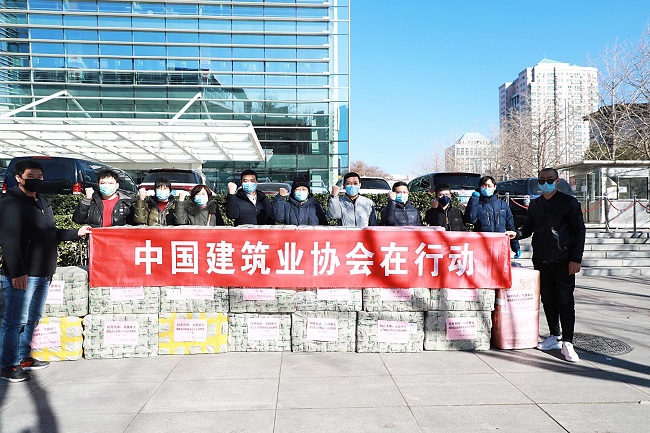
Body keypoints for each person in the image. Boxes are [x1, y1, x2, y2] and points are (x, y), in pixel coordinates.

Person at [0, 159, 91, 382]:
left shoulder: (42, 202)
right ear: (19, 178)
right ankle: (7, 364)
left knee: (33, 318)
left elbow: (50, 233)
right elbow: (9, 241)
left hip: (43, 272)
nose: (36, 180)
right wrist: (17, 272)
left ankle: (23, 357)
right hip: (23, 274)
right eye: (30, 177)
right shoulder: (10, 203)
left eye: (39, 177)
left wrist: (76, 232)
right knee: (15, 320)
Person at [511, 168, 586, 363]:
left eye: (550, 180)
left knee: (565, 301)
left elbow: (579, 231)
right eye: (542, 180)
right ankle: (554, 335)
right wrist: (516, 234)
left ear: (557, 181)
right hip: (541, 260)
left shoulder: (568, 203)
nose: (546, 183)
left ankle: (568, 342)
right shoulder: (535, 204)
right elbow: (528, 228)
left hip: (564, 260)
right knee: (548, 299)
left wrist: (576, 259)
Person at [463, 175, 520, 257]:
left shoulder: (502, 205)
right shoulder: (477, 204)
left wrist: (516, 247)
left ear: (494, 187)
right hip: (482, 245)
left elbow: (510, 226)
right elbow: (470, 219)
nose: (486, 188)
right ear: (479, 187)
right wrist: (474, 199)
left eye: (489, 186)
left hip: (500, 245)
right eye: (484, 186)